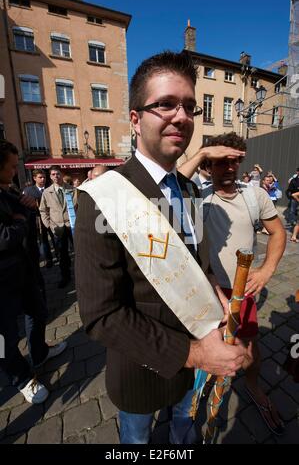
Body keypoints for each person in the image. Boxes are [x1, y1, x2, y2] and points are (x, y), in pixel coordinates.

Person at [74, 51, 247, 444]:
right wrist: (196, 354)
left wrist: (215, 292)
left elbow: (196, 263)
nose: (182, 116)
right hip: (142, 372)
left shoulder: (188, 189)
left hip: (194, 367)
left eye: (189, 106)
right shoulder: (102, 197)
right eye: (166, 104)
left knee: (182, 436)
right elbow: (101, 316)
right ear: (135, 119)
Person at [179, 132, 286, 436]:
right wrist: (201, 153)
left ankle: (253, 387)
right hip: (205, 289)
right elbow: (165, 189)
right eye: (219, 162)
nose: (228, 168)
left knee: (250, 349)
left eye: (233, 162)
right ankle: (197, 397)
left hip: (242, 290)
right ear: (208, 165)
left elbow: (277, 233)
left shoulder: (254, 196)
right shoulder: (197, 198)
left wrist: (266, 271)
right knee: (203, 348)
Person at [0, 140, 67, 404]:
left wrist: (24, 208)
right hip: (2, 280)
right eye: (11, 167)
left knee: (37, 312)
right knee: (4, 339)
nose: (15, 172)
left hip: (23, 270)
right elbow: (4, 236)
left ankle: (39, 353)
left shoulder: (9, 189)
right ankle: (22, 379)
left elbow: (21, 214)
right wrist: (19, 224)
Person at [40, 166, 76, 288]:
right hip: (57, 228)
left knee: (79, 252)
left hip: (72, 226)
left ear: (62, 174)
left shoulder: (72, 189)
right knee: (62, 254)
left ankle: (82, 274)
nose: (56, 176)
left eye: (58, 174)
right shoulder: (46, 192)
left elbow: (78, 207)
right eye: (53, 174)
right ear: (50, 176)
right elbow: (43, 210)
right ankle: (65, 277)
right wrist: (48, 225)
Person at [23, 169, 55, 268]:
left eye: (44, 177)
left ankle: (59, 254)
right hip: (37, 220)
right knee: (43, 240)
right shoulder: (28, 191)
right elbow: (25, 206)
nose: (43, 179)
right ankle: (48, 259)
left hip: (52, 218)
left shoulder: (50, 188)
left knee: (55, 237)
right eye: (40, 177)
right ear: (34, 178)